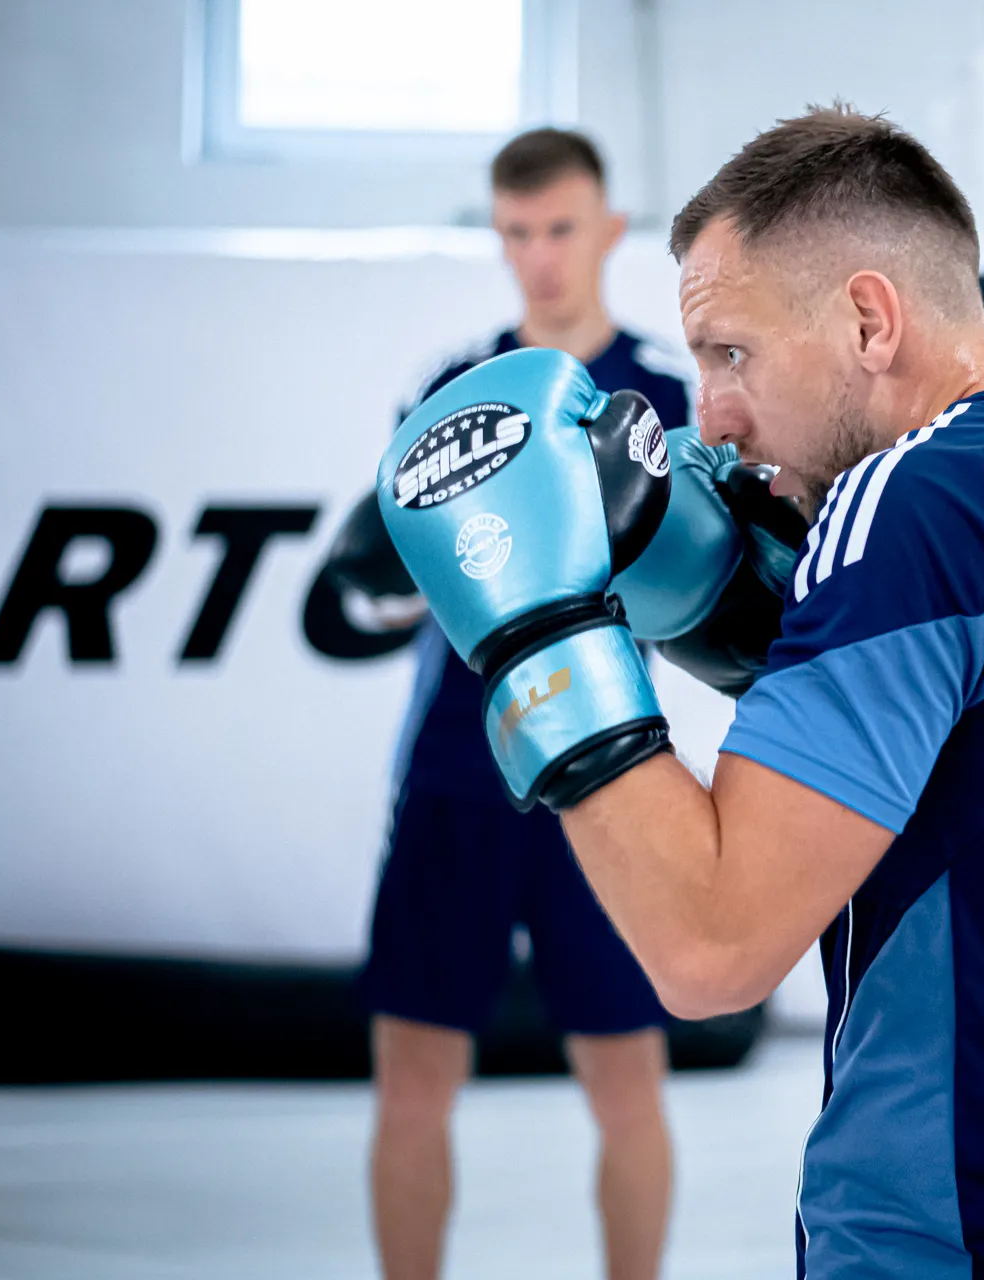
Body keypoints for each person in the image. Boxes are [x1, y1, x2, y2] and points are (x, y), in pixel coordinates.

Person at [373, 105, 984, 1276]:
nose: (710, 416)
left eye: (731, 352)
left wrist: (541, 628)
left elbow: (708, 946)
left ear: (869, 319)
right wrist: (730, 606)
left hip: (938, 1247)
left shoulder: (916, 505)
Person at [355, 129, 687, 1280]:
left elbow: (693, 595)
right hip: (459, 763)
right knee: (411, 1074)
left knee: (625, 1076)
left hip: (605, 767)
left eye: (560, 229)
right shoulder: (449, 393)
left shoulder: (661, 395)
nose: (540, 256)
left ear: (607, 230)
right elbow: (394, 585)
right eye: (517, 233)